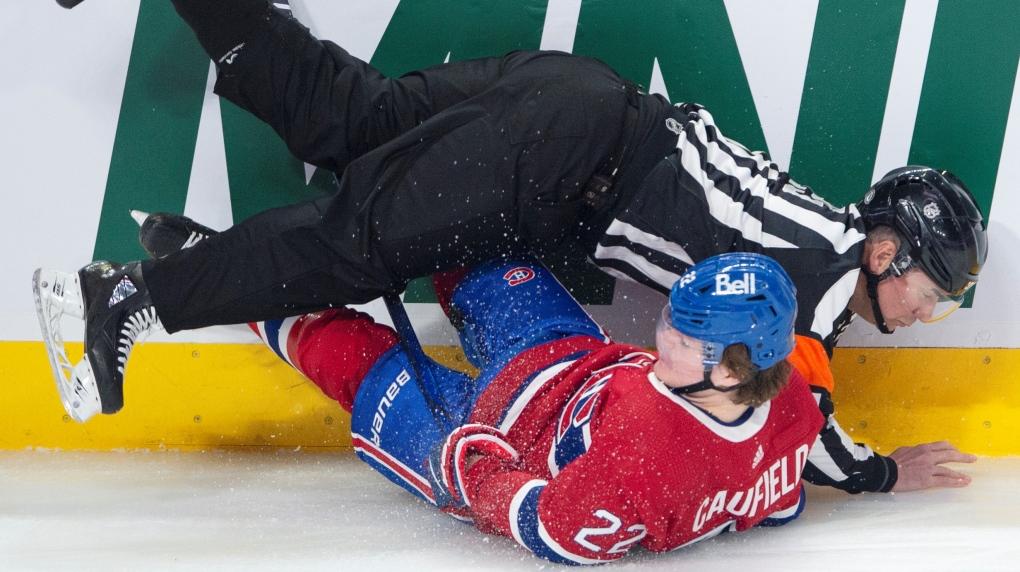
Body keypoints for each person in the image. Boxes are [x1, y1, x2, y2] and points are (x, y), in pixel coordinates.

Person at [35, 0, 984, 495]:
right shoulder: (818, 285)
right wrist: (884, 473)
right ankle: (126, 299)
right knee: (354, 245)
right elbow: (798, 427)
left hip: (573, 106)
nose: (924, 316)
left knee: (348, 116)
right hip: (561, 159)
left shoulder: (822, 238)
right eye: (930, 294)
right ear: (885, 252)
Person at [183, 226, 826, 564]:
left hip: (486, 430)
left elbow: (550, 530)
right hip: (560, 357)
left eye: (685, 342)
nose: (661, 341)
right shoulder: (792, 402)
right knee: (458, 233)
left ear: (734, 373)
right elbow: (778, 506)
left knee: (353, 358)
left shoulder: (645, 456)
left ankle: (212, 267)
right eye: (670, 321)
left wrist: (474, 467)